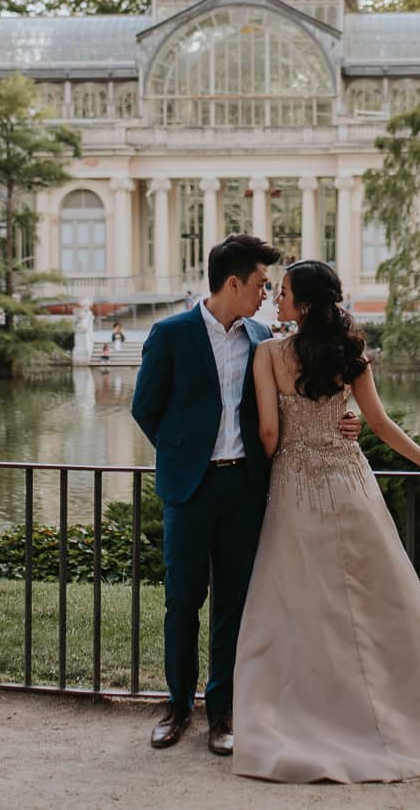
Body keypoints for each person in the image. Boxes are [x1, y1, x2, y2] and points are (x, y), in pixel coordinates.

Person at [232, 260, 420, 783]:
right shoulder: (351, 356)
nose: (276, 299)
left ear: (306, 305)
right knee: (377, 604)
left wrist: (267, 469)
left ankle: (313, 714)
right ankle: (393, 714)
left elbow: (269, 433)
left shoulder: (268, 354)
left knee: (301, 608)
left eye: (286, 292)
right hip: (349, 485)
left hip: (295, 487)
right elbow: (381, 424)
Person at [131, 235, 361, 756]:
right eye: (260, 284)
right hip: (190, 489)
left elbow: (310, 387)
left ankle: (222, 711)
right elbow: (145, 408)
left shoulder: (262, 338)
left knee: (233, 604)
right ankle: (176, 707)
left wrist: (348, 418)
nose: (265, 294)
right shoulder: (169, 335)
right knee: (182, 601)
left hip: (244, 488)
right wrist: (183, 453)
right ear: (232, 282)